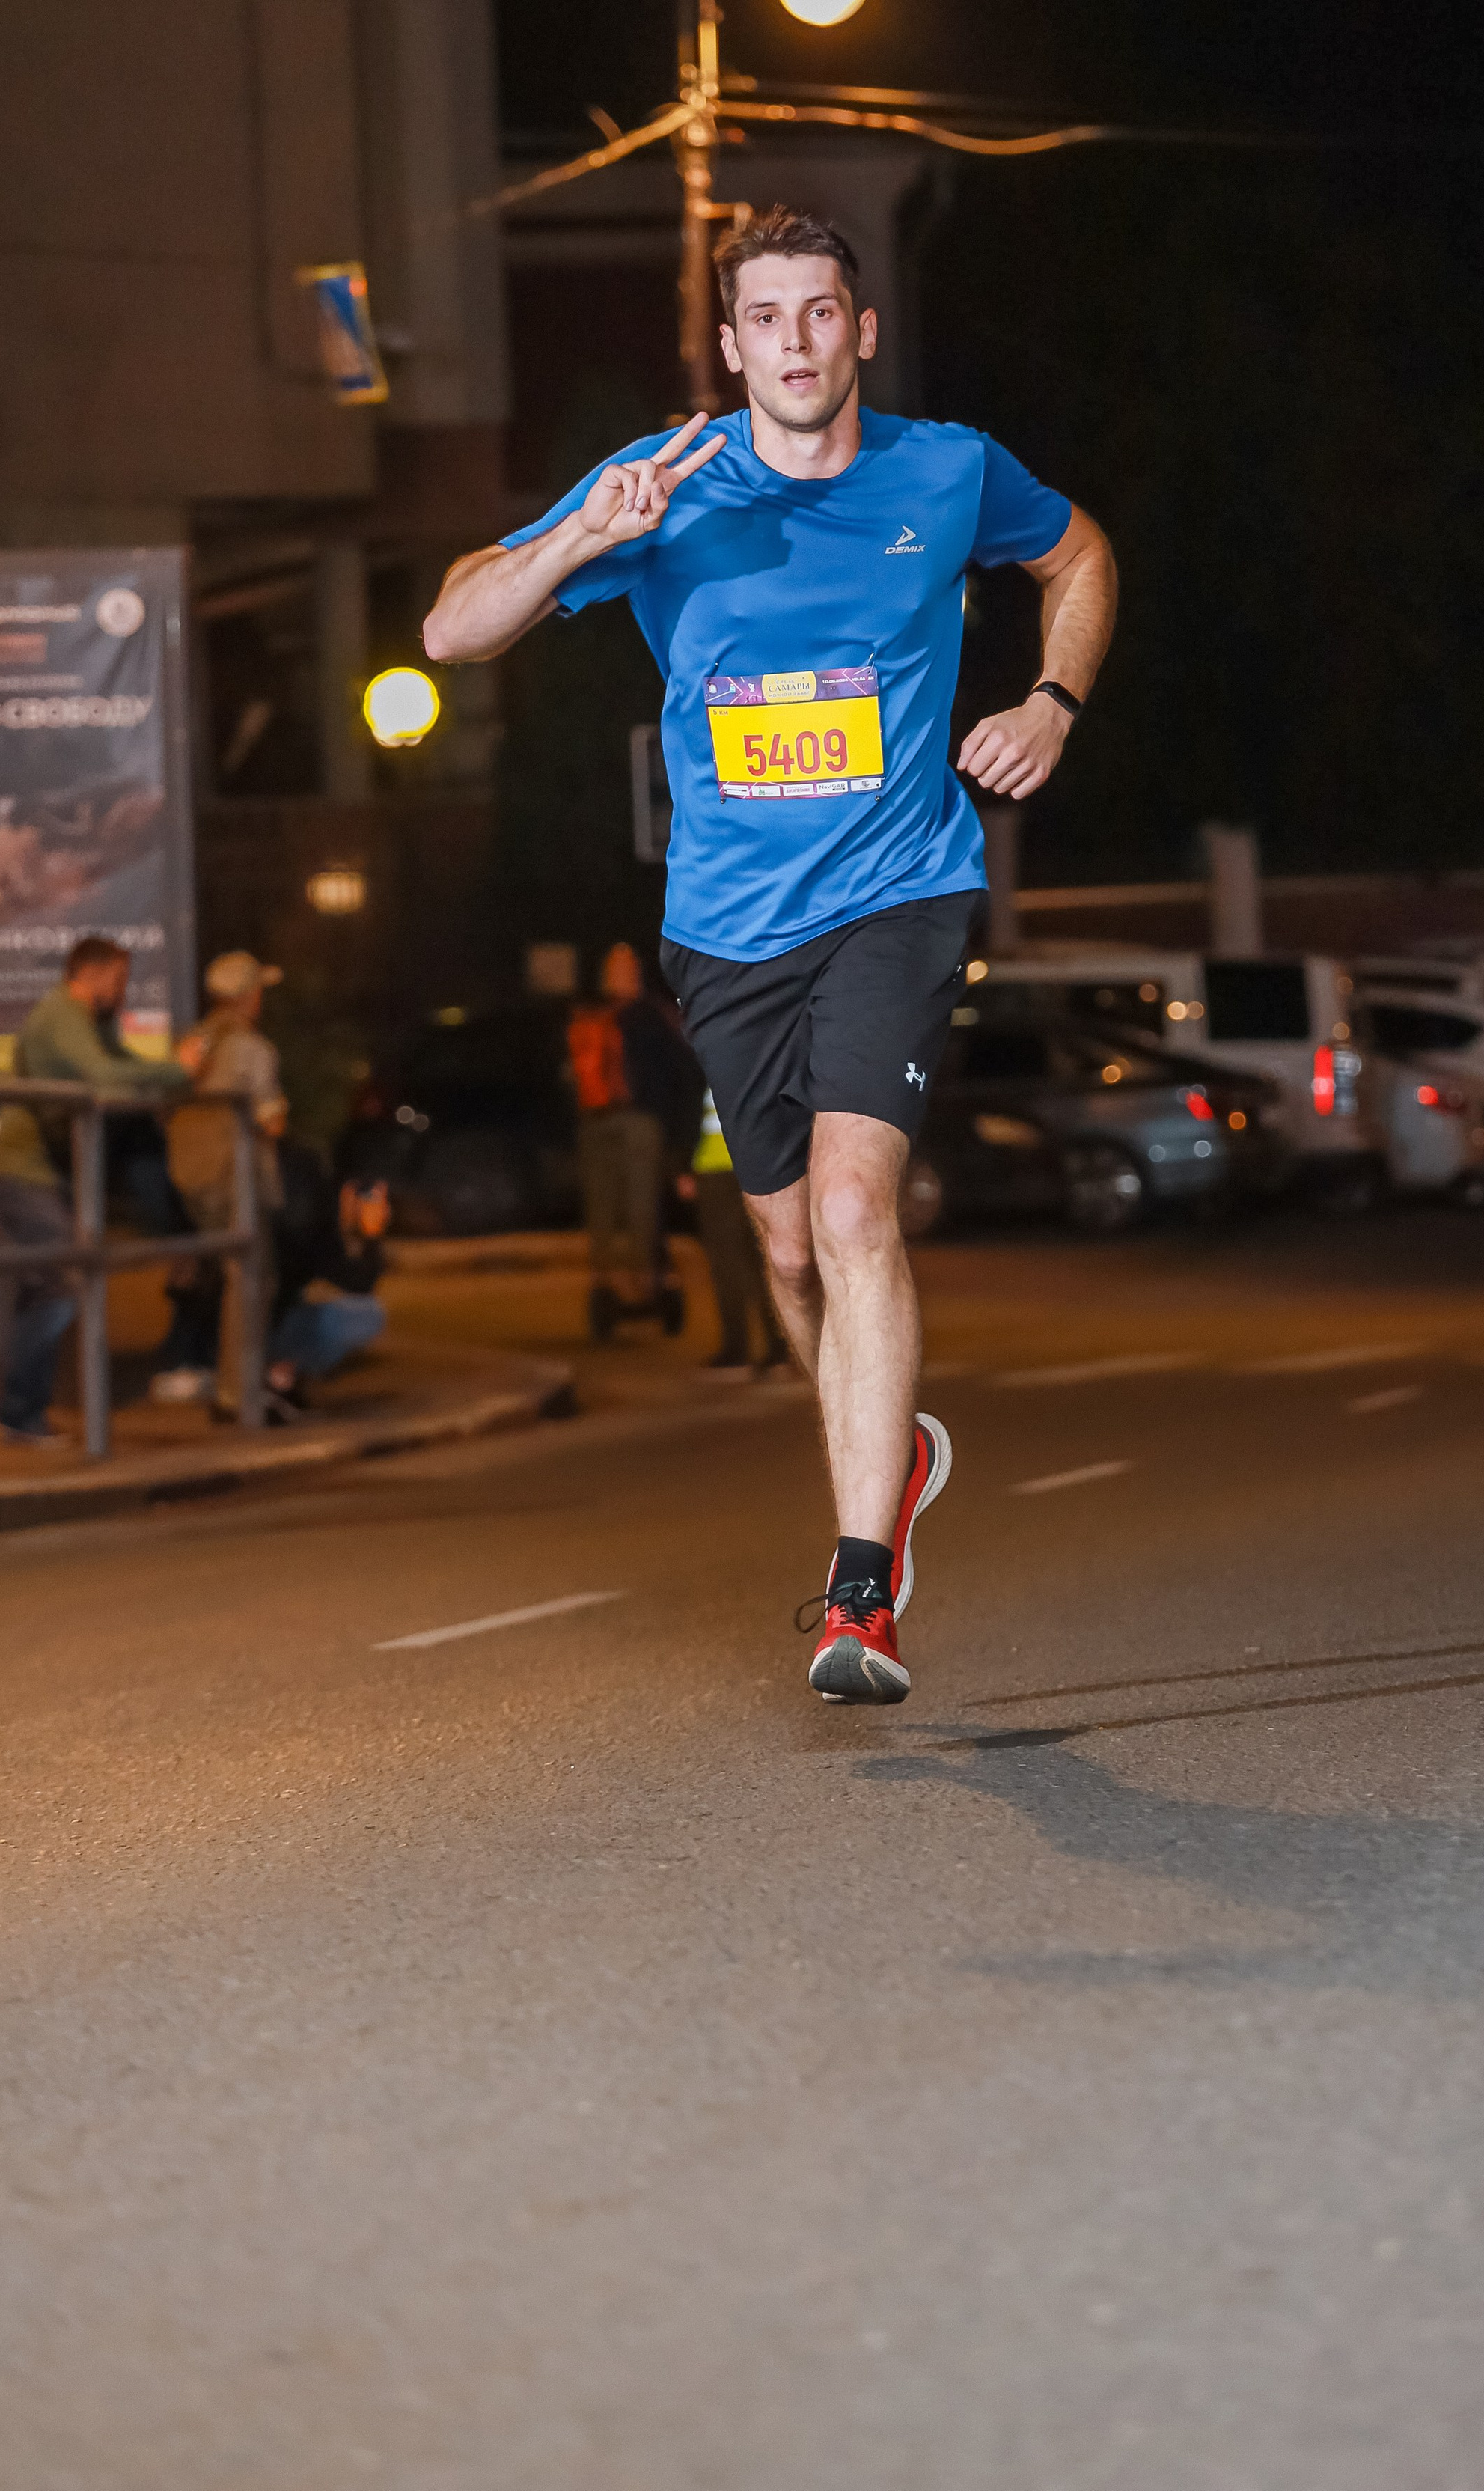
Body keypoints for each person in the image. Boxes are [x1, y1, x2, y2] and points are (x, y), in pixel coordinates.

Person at [425, 202, 1117, 1701]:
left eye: (822, 313)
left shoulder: (946, 470)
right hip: (725, 930)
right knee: (790, 1250)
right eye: (767, 320)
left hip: (898, 893)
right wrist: (575, 543)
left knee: (860, 1215)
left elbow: (1078, 556)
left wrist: (1050, 700)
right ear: (728, 344)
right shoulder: (658, 488)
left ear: (858, 330)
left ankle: (858, 1595)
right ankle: (897, 1459)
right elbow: (448, 632)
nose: (796, 343)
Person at [0, 933, 203, 1447]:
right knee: (62, 1283)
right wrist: (178, 1071)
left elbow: (123, 1067)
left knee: (48, 1288)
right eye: (120, 979)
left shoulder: (89, 1022)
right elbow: (106, 1078)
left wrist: (166, 1078)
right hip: (25, 1173)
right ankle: (19, 1412)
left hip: (43, 1175)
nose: (124, 990)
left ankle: (20, 1412)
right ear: (94, 973)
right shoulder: (61, 1016)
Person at [162, 951, 290, 1418]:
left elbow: (165, 1102)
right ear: (250, 997)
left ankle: (229, 1383)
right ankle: (240, 1394)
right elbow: (271, 1121)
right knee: (253, 1280)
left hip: (193, 1178)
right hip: (237, 1177)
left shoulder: (192, 1042)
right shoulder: (253, 1049)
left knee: (230, 1277)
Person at [567, 943, 699, 1337]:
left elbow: (681, 1077)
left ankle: (643, 1282)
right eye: (613, 968)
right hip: (598, 1121)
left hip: (640, 1121)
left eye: (625, 968)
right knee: (603, 1208)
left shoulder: (652, 1018)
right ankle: (609, 1282)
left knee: (642, 1207)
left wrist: (677, 1142)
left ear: (638, 973)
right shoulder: (594, 1015)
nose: (618, 975)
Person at [677, 1085, 790, 1380]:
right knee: (759, 1259)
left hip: (725, 1169)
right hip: (747, 1165)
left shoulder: (708, 1050)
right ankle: (775, 1347)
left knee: (734, 1262)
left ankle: (744, 1348)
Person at [266, 1135, 389, 1407]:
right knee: (366, 1314)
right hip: (256, 1326)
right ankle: (278, 1379)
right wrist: (370, 1235)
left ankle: (276, 1375)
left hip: (239, 1322)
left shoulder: (276, 1210)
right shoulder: (304, 1222)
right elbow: (359, 1283)